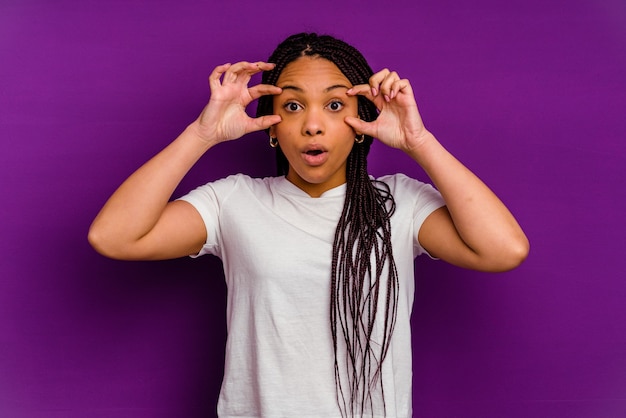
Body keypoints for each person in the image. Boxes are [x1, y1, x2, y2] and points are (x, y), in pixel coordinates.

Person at [89, 33, 529, 418]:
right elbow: (114, 236)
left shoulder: (399, 202)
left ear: (361, 124)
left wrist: (419, 142)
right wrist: (202, 134)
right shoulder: (234, 201)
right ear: (272, 128)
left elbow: (503, 250)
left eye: (335, 105)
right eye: (293, 105)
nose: (313, 125)